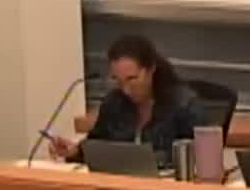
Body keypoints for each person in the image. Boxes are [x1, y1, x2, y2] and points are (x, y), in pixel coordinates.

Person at [49, 35, 202, 163]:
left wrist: (149, 160)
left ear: (151, 69)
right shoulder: (113, 102)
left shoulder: (184, 104)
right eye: (118, 81)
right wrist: (75, 152)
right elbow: (97, 146)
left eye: (132, 79)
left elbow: (199, 156)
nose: (126, 90)